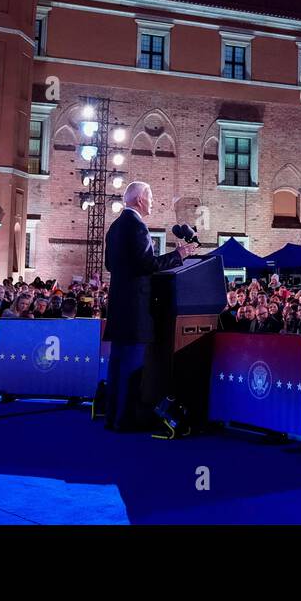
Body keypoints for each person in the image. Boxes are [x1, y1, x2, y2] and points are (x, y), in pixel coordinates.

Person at [103, 180, 196, 432]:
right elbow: (147, 265)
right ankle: (125, 421)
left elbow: (111, 265)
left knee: (117, 367)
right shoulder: (137, 227)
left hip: (120, 309)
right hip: (136, 312)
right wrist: (180, 256)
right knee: (132, 370)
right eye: (151, 196)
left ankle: (112, 417)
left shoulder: (114, 227)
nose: (153, 201)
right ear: (140, 199)